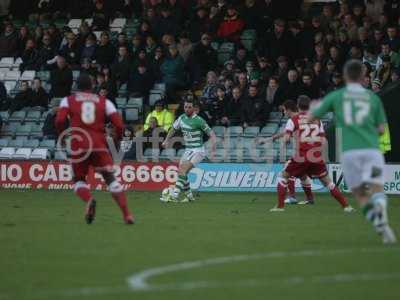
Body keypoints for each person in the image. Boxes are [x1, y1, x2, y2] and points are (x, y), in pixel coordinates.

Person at [309, 59, 397, 244]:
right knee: (376, 189)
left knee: (360, 194)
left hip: (350, 154)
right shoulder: (373, 98)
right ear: (363, 76)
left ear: (345, 76)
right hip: (372, 152)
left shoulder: (337, 96)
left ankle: (379, 224)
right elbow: (381, 129)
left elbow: (311, 118)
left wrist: (314, 107)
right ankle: (381, 213)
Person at [55, 74, 134, 225]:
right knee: (110, 179)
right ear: (92, 86)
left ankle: (89, 199)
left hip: (79, 145)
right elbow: (119, 124)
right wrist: (117, 139)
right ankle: (127, 215)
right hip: (99, 144)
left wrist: (63, 136)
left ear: (76, 86)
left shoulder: (68, 101)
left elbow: (59, 120)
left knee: (78, 180)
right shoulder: (104, 102)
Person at [271, 96, 354, 213]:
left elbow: (286, 137)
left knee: (283, 176)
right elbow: (323, 140)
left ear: (298, 106)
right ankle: (346, 206)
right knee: (329, 183)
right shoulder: (317, 120)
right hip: (316, 156)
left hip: (302, 155)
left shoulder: (293, 120)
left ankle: (279, 207)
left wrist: (282, 150)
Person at [161, 99, 216, 202]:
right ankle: (189, 196)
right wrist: (166, 140)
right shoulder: (181, 118)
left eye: (189, 107)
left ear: (194, 108)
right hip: (188, 150)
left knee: (183, 170)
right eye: (185, 107)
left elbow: (211, 133)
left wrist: (213, 146)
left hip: (198, 151)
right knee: (182, 171)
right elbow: (173, 129)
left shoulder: (199, 120)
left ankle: (175, 195)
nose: (187, 109)